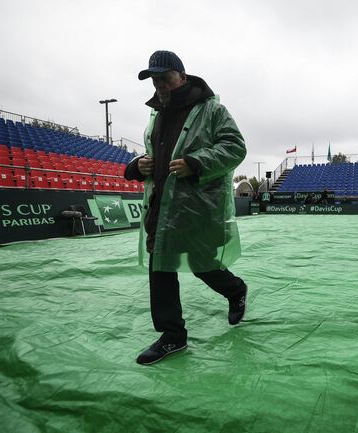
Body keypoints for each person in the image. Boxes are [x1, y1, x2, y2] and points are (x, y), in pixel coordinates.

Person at [124, 50, 248, 365]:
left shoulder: (212, 110)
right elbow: (157, 157)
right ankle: (172, 336)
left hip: (196, 207)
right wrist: (139, 166)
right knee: (160, 268)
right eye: (155, 81)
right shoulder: (158, 114)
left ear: (181, 75)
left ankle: (235, 291)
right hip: (161, 206)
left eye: (165, 78)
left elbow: (235, 147)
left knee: (202, 264)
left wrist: (196, 163)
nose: (160, 86)